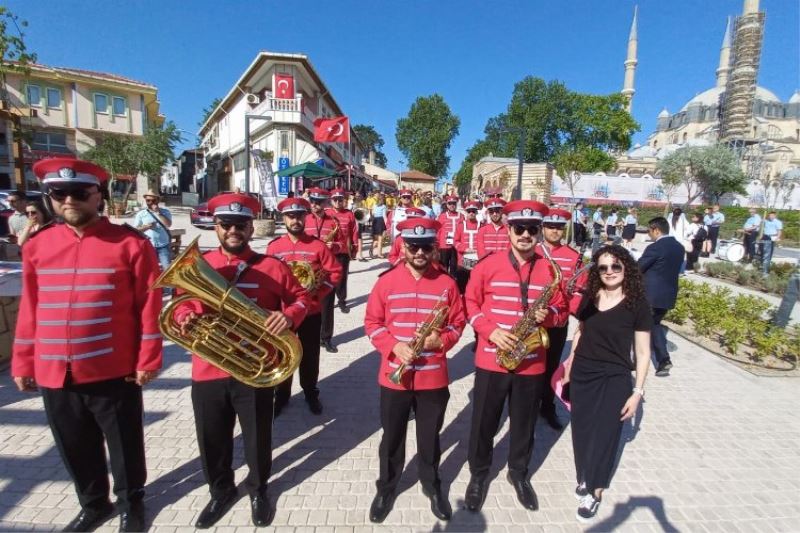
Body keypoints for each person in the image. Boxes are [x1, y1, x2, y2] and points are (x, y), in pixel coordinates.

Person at [12, 158, 162, 532]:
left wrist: (149, 357)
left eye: (80, 193)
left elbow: (149, 304)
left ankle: (132, 504)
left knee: (125, 445)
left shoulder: (131, 243)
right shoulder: (38, 246)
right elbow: (30, 307)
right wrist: (22, 362)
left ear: (99, 196)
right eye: (58, 193)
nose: (69, 201)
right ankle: (95, 504)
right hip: (53, 370)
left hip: (114, 369)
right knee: (74, 445)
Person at [173, 193, 309, 529]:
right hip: (208, 368)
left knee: (257, 436)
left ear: (251, 227)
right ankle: (220, 491)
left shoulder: (273, 266)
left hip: (254, 369)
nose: (233, 230)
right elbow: (179, 303)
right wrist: (186, 315)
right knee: (212, 437)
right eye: (226, 225)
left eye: (241, 224)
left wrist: (289, 317)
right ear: (215, 227)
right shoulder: (201, 265)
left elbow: (301, 298)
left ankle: (258, 489)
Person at [463, 200, 568, 513]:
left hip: (532, 361)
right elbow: (470, 303)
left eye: (532, 229)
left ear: (538, 231)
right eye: (519, 228)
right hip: (492, 358)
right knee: (484, 422)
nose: (525, 234)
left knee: (523, 423)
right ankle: (479, 474)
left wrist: (547, 315)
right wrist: (490, 331)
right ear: (508, 229)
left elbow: (562, 312)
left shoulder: (550, 269)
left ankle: (519, 473)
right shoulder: (487, 265)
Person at [364, 217, 466, 523]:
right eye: (413, 246)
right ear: (403, 246)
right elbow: (372, 324)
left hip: (433, 375)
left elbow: (458, 324)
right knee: (392, 436)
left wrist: (442, 339)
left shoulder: (448, 284)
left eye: (425, 246)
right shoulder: (385, 281)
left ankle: (431, 484)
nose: (419, 252)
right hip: (394, 375)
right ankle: (386, 487)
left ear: (434, 247)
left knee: (429, 436)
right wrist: (394, 346)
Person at [562, 245, 652, 523]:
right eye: (603, 267)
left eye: (615, 266)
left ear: (626, 268)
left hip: (614, 377)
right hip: (583, 375)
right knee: (582, 431)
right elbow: (581, 333)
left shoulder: (637, 304)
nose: (609, 272)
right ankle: (583, 475)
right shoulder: (591, 297)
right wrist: (568, 367)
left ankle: (596, 490)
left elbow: (644, 352)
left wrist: (637, 392)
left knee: (606, 435)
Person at [267, 198, 342, 416]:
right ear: (284, 219)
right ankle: (281, 395)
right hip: (282, 314)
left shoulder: (317, 246)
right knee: (282, 353)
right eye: (291, 216)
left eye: (300, 216)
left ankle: (310, 392)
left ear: (305, 217)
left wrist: (318, 293)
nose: (296, 220)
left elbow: (335, 272)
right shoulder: (274, 247)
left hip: (310, 311)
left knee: (310, 354)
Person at [538, 208, 581, 430]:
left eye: (559, 227)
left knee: (551, 365)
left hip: (557, 322)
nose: (555, 231)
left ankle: (547, 405)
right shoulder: (533, 251)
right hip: (532, 320)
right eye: (551, 227)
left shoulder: (573, 257)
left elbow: (578, 290)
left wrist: (569, 310)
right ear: (543, 228)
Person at [638, 217, 684, 377]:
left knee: (644, 325)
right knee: (654, 324)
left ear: (656, 230)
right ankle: (661, 360)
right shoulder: (679, 247)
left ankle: (662, 359)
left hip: (650, 295)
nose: (649, 234)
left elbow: (639, 268)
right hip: (668, 295)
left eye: (649, 231)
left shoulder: (655, 247)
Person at [304, 188, 343, 352]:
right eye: (313, 202)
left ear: (325, 203)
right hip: (307, 269)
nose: (315, 205)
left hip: (326, 269)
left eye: (319, 202)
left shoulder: (333, 221)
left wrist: (333, 245)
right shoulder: (304, 219)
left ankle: (326, 338)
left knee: (327, 306)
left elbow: (342, 244)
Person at [327, 188, 359, 313]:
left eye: (340, 199)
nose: (338, 202)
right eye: (335, 199)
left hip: (343, 251)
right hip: (328, 252)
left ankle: (341, 301)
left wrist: (355, 247)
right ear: (331, 200)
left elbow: (354, 231)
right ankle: (327, 301)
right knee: (327, 278)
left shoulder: (349, 214)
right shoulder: (327, 213)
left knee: (342, 278)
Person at [133, 190, 173, 272]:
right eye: (148, 200)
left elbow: (168, 224)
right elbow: (135, 230)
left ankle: (168, 285)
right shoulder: (141, 214)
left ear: (158, 200)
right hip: (149, 246)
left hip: (163, 245)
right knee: (150, 270)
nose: (151, 202)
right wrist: (147, 227)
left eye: (153, 200)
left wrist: (159, 213)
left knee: (167, 271)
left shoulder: (165, 212)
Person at [454, 200, 482, 293]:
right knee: (461, 287)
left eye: (473, 211)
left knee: (476, 287)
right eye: (469, 211)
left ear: (476, 212)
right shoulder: (460, 226)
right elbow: (455, 241)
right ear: (466, 212)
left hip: (478, 262)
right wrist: (465, 249)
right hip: (463, 262)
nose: (471, 213)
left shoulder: (482, 226)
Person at [436, 195, 464, 277]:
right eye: (450, 203)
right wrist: (437, 244)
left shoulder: (461, 216)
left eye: (454, 203)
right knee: (443, 265)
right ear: (447, 205)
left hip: (456, 246)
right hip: (444, 245)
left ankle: (453, 282)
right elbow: (438, 231)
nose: (452, 205)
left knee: (454, 266)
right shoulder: (442, 216)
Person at [371, 193, 387, 259]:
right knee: (380, 239)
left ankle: (371, 250)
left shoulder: (374, 205)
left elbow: (373, 213)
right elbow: (384, 216)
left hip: (375, 221)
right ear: (382, 199)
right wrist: (386, 224)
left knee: (376, 239)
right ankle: (379, 254)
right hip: (380, 221)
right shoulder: (383, 206)